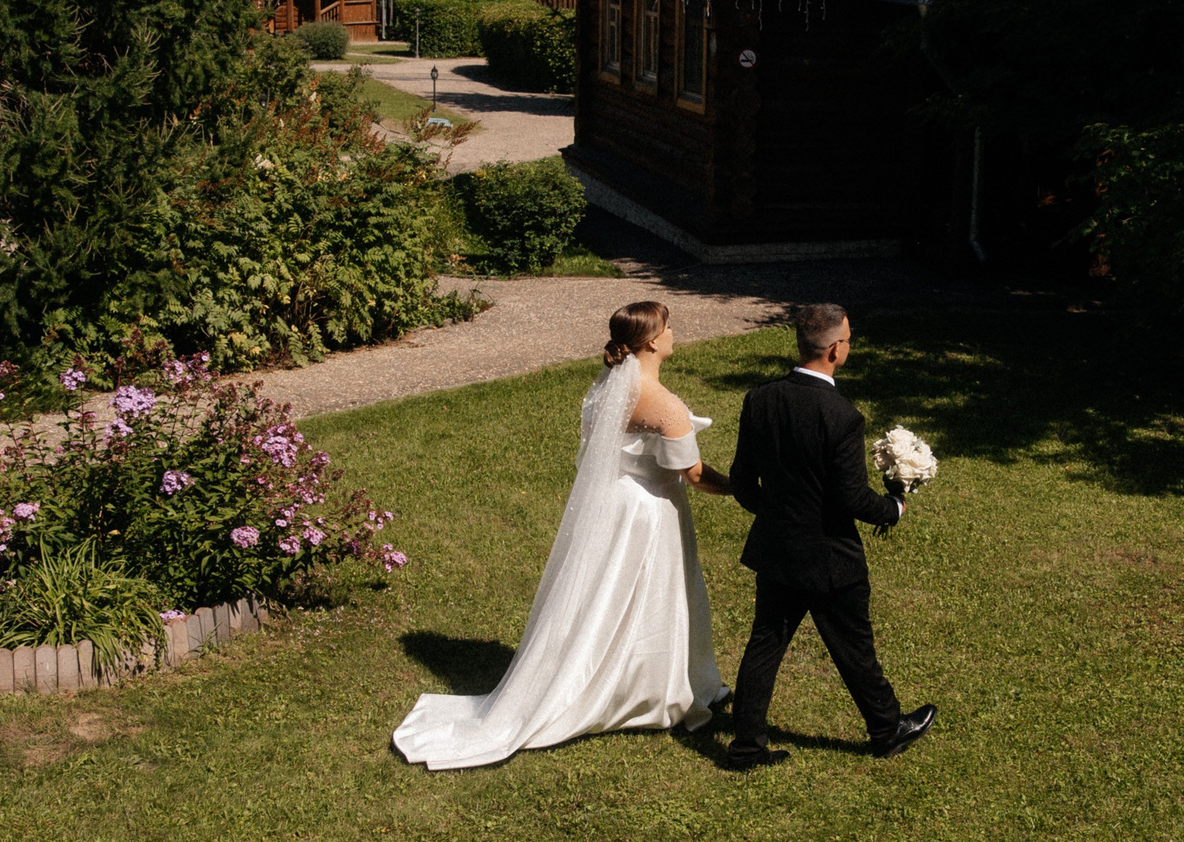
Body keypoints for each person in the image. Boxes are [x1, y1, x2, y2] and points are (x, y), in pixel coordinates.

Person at [392, 301, 733, 769]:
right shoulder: (664, 404)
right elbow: (691, 473)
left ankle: (631, 679)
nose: (674, 333)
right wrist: (738, 489)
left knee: (606, 597)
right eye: (669, 327)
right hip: (649, 511)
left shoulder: (608, 387)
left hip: (614, 503)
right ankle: (648, 691)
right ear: (653, 341)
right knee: (653, 596)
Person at [722, 302, 937, 770]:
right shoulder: (841, 416)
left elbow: (742, 481)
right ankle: (887, 729)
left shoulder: (760, 399)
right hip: (829, 559)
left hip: (777, 550)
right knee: (854, 646)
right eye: (850, 338)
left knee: (765, 643)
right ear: (836, 349)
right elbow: (853, 500)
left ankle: (745, 747)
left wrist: (778, 514)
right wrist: (895, 507)